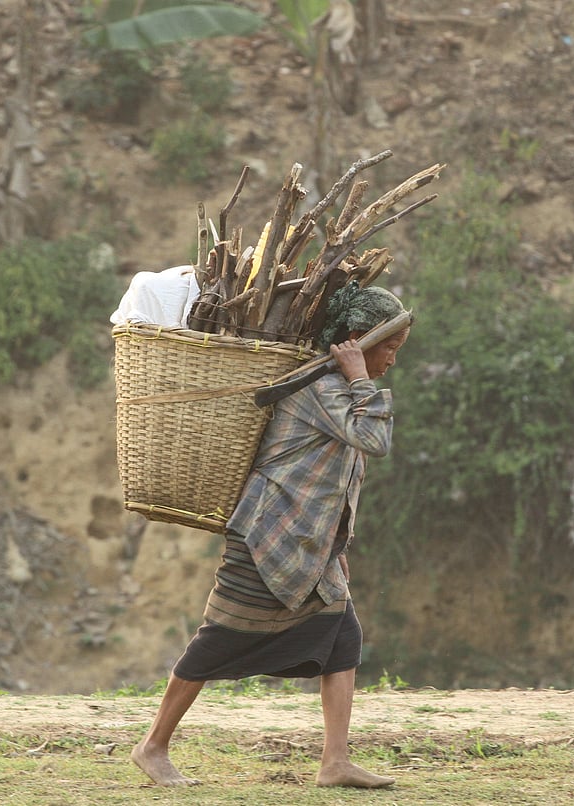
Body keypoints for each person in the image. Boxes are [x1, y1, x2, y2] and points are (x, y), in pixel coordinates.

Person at [131, 284, 412, 789]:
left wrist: (336, 547)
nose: (392, 359)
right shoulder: (321, 390)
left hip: (310, 546)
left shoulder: (337, 391)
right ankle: (152, 746)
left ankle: (335, 762)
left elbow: (342, 478)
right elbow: (375, 439)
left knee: (343, 640)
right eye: (388, 347)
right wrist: (356, 377)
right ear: (353, 341)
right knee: (217, 642)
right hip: (267, 539)